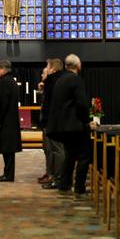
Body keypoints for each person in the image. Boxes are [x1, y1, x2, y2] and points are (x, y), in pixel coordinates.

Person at [46, 54, 95, 201]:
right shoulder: (76, 79)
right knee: (85, 157)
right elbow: (81, 103)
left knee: (70, 156)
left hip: (62, 126)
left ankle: (64, 186)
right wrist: (88, 120)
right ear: (79, 67)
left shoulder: (60, 80)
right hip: (75, 126)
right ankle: (79, 189)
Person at [39, 58, 65, 190]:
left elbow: (52, 104)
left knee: (56, 150)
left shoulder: (55, 82)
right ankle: (53, 176)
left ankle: (57, 177)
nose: (46, 71)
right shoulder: (54, 81)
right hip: (52, 121)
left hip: (54, 121)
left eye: (48, 68)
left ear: (53, 69)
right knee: (50, 150)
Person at [0, 60, 22, 181]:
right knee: (9, 150)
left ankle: (8, 174)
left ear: (4, 69)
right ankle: (8, 173)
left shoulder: (4, 82)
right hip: (11, 119)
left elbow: (2, 103)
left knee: (8, 149)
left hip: (6, 121)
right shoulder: (12, 81)